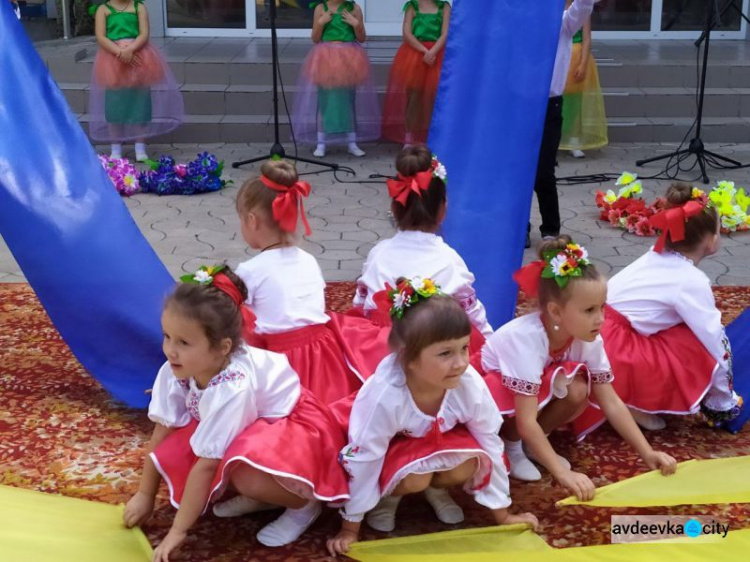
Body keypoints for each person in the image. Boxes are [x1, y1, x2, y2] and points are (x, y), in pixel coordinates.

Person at [122, 266, 349, 558]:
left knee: (242, 473)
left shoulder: (232, 386)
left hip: (294, 430)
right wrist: (144, 495)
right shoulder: (174, 369)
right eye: (167, 336)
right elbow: (161, 434)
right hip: (254, 425)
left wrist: (177, 532)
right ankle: (263, 497)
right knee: (185, 448)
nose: (170, 350)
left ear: (222, 348)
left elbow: (206, 464)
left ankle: (303, 504)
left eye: (183, 342)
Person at [326, 278, 538, 557]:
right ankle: (389, 498)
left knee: (468, 465)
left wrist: (504, 514)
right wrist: (350, 528)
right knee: (414, 478)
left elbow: (490, 442)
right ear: (408, 359)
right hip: (392, 450)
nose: (461, 362)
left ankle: (437, 490)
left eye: (464, 348)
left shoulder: (468, 383)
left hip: (438, 441)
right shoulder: (385, 397)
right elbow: (367, 456)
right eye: (445, 353)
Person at [482, 237, 677, 494]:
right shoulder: (526, 341)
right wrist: (563, 473)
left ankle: (534, 447)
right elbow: (526, 419)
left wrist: (647, 452)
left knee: (577, 389)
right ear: (556, 312)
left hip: (537, 384)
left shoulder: (588, 338)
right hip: (496, 389)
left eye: (602, 307)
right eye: (589, 310)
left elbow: (611, 401)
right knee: (539, 397)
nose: (600, 319)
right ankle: (511, 443)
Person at [574, 184, 742, 437]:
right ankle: (632, 401)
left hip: (593, 329)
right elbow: (715, 341)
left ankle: (630, 396)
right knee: (696, 344)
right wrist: (723, 400)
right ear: (710, 241)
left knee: (684, 331)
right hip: (613, 348)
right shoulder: (691, 280)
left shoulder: (654, 256)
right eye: (718, 230)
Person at [329, 145, 492, 380]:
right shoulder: (450, 260)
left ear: (394, 208)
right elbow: (473, 314)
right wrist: (493, 344)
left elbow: (363, 305)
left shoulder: (379, 252)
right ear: (443, 209)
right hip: (434, 349)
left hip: (380, 350)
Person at [234, 159, 362, 404]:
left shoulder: (249, 270)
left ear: (252, 220)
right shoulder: (309, 260)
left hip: (279, 365)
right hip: (324, 358)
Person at [526, 0, 599, 248]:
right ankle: (518, 227)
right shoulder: (519, 25)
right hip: (518, 107)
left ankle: (550, 229)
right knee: (519, 171)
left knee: (543, 170)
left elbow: (582, 7)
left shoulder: (563, 23)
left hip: (549, 105)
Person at [89, 0, 183, 161]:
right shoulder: (103, 9)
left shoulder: (138, 7)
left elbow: (144, 33)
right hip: (112, 59)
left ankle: (140, 147)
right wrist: (119, 52)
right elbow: (101, 36)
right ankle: (116, 147)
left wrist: (131, 49)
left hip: (139, 57)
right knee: (114, 105)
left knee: (140, 104)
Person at [291, 0, 380, 158]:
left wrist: (356, 24)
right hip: (325, 57)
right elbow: (315, 38)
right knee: (324, 100)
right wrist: (320, 22)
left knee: (348, 99)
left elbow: (361, 37)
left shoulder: (354, 8)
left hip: (349, 58)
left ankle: (351, 142)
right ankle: (321, 142)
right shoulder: (320, 8)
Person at [382, 0, 451, 147]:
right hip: (415, 55)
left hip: (438, 54)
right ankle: (410, 138)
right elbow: (407, 33)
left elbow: (446, 33)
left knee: (435, 97)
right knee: (414, 97)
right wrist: (424, 51)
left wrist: (433, 51)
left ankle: (434, 138)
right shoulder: (412, 6)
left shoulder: (444, 7)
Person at [559, 10, 608, 159]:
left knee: (575, 103)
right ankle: (553, 139)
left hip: (575, 59)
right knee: (555, 102)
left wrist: (583, 63)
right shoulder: (552, 7)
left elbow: (587, 38)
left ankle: (573, 141)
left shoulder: (581, 9)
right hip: (558, 60)